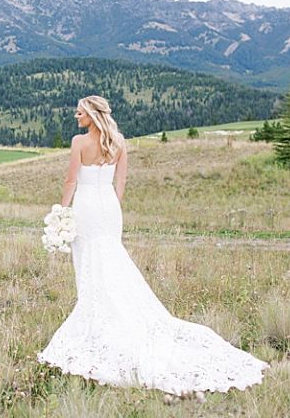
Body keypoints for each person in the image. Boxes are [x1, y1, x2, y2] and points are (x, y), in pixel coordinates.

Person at [37, 95, 269, 395]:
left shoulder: (78, 143)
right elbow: (120, 183)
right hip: (108, 208)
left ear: (92, 115)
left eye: (80, 112)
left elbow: (71, 181)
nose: (75, 116)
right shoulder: (119, 142)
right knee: (111, 260)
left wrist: (62, 212)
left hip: (85, 207)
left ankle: (97, 321)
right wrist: (112, 208)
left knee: (91, 264)